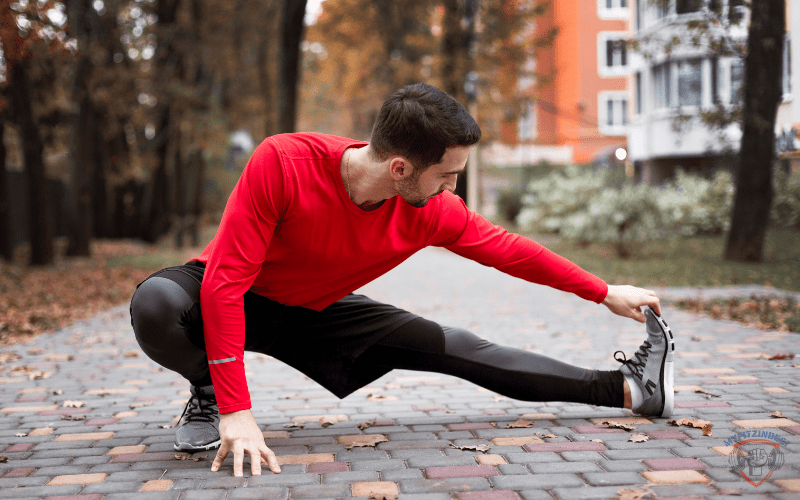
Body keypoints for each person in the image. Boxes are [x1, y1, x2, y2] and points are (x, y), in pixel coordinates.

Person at [130, 82, 675, 478]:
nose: (452, 188)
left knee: (459, 347)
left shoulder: (433, 210)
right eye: (447, 175)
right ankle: (204, 388)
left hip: (318, 311)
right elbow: (225, 286)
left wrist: (603, 291)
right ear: (400, 168)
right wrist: (236, 410)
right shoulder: (284, 163)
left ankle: (630, 390)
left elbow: (512, 251)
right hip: (230, 292)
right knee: (155, 303)